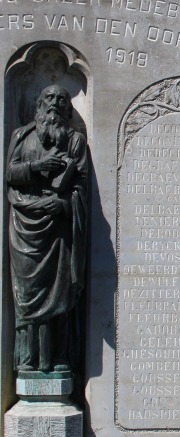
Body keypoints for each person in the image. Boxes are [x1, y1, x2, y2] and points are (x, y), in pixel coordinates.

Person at [6, 84, 88, 374]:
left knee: (60, 294)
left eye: (61, 100)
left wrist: (65, 204)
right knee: (26, 293)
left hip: (58, 230)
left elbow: (82, 185)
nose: (54, 105)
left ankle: (60, 358)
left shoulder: (75, 141)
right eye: (49, 99)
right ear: (39, 104)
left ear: (67, 109)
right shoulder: (22, 135)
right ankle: (27, 359)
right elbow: (10, 174)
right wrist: (39, 166)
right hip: (25, 227)